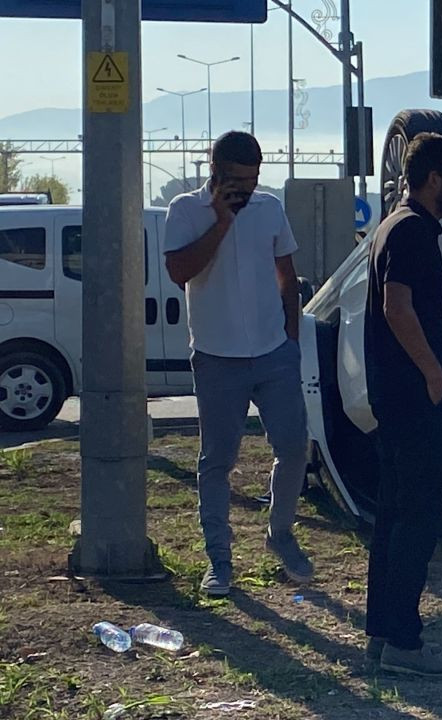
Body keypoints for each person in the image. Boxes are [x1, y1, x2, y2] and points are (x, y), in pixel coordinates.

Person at [163, 131, 313, 597]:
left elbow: (287, 274)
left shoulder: (269, 209)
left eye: (252, 180)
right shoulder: (185, 211)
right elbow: (179, 271)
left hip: (273, 353)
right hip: (216, 356)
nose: (246, 190)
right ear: (216, 172)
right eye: (237, 180)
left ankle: (280, 532)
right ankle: (219, 561)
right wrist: (222, 221)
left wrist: (291, 334)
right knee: (217, 461)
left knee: (294, 446)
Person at [362, 132, 442, 676]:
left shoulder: (397, 226)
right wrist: (433, 374)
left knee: (396, 516)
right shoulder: (411, 232)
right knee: (418, 520)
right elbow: (397, 307)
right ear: (433, 179)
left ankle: (384, 633)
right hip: (413, 398)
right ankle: (405, 642)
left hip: (397, 398)